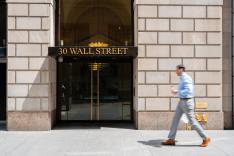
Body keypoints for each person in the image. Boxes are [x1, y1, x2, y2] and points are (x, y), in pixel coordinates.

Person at [162, 64, 211, 147]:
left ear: (181, 69)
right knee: (175, 119)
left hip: (187, 102)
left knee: (192, 122)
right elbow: (184, 89)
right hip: (181, 102)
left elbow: (189, 91)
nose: (176, 71)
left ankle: (205, 138)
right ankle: (171, 139)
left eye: (176, 69)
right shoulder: (182, 78)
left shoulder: (186, 78)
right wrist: (177, 91)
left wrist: (177, 92)